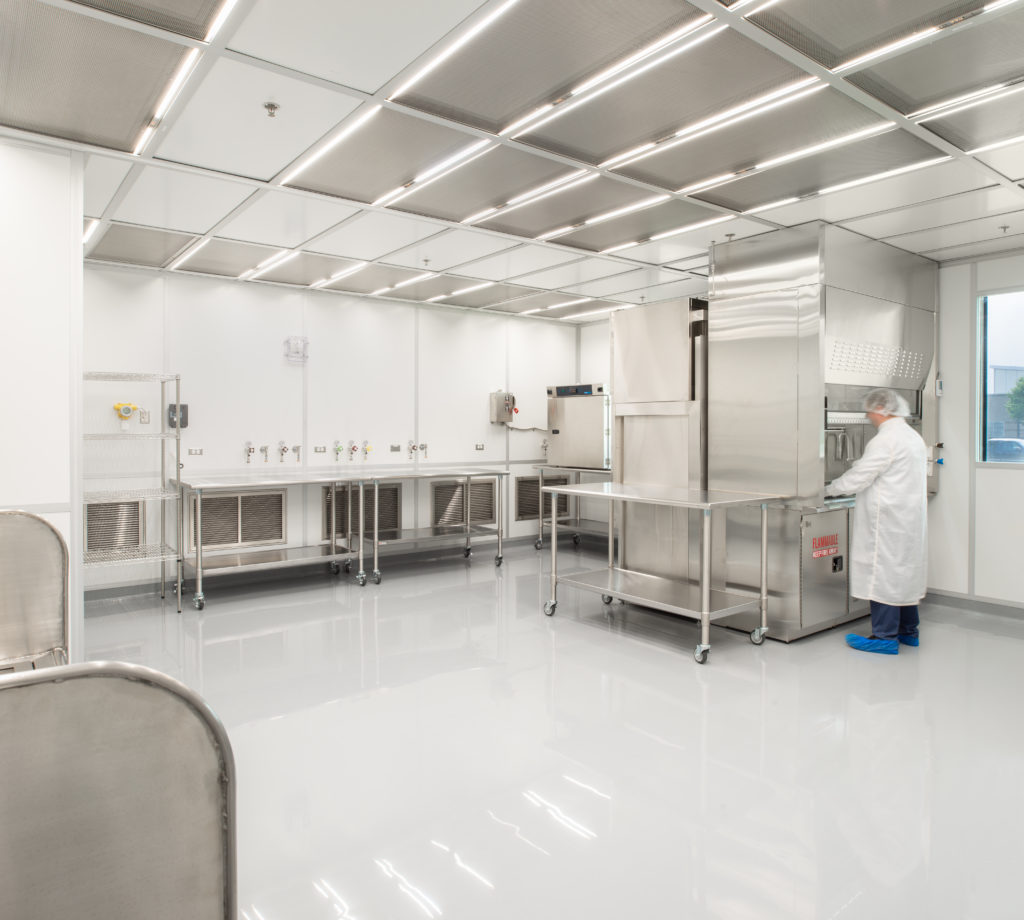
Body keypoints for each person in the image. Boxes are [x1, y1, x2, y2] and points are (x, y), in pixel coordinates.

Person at [825, 388, 928, 655]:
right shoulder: (911, 436)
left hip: (888, 521)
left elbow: (860, 476)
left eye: (870, 410)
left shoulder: (886, 440)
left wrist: (827, 489)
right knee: (902, 572)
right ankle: (908, 631)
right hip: (906, 520)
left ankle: (884, 637)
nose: (868, 415)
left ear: (881, 410)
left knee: (882, 574)